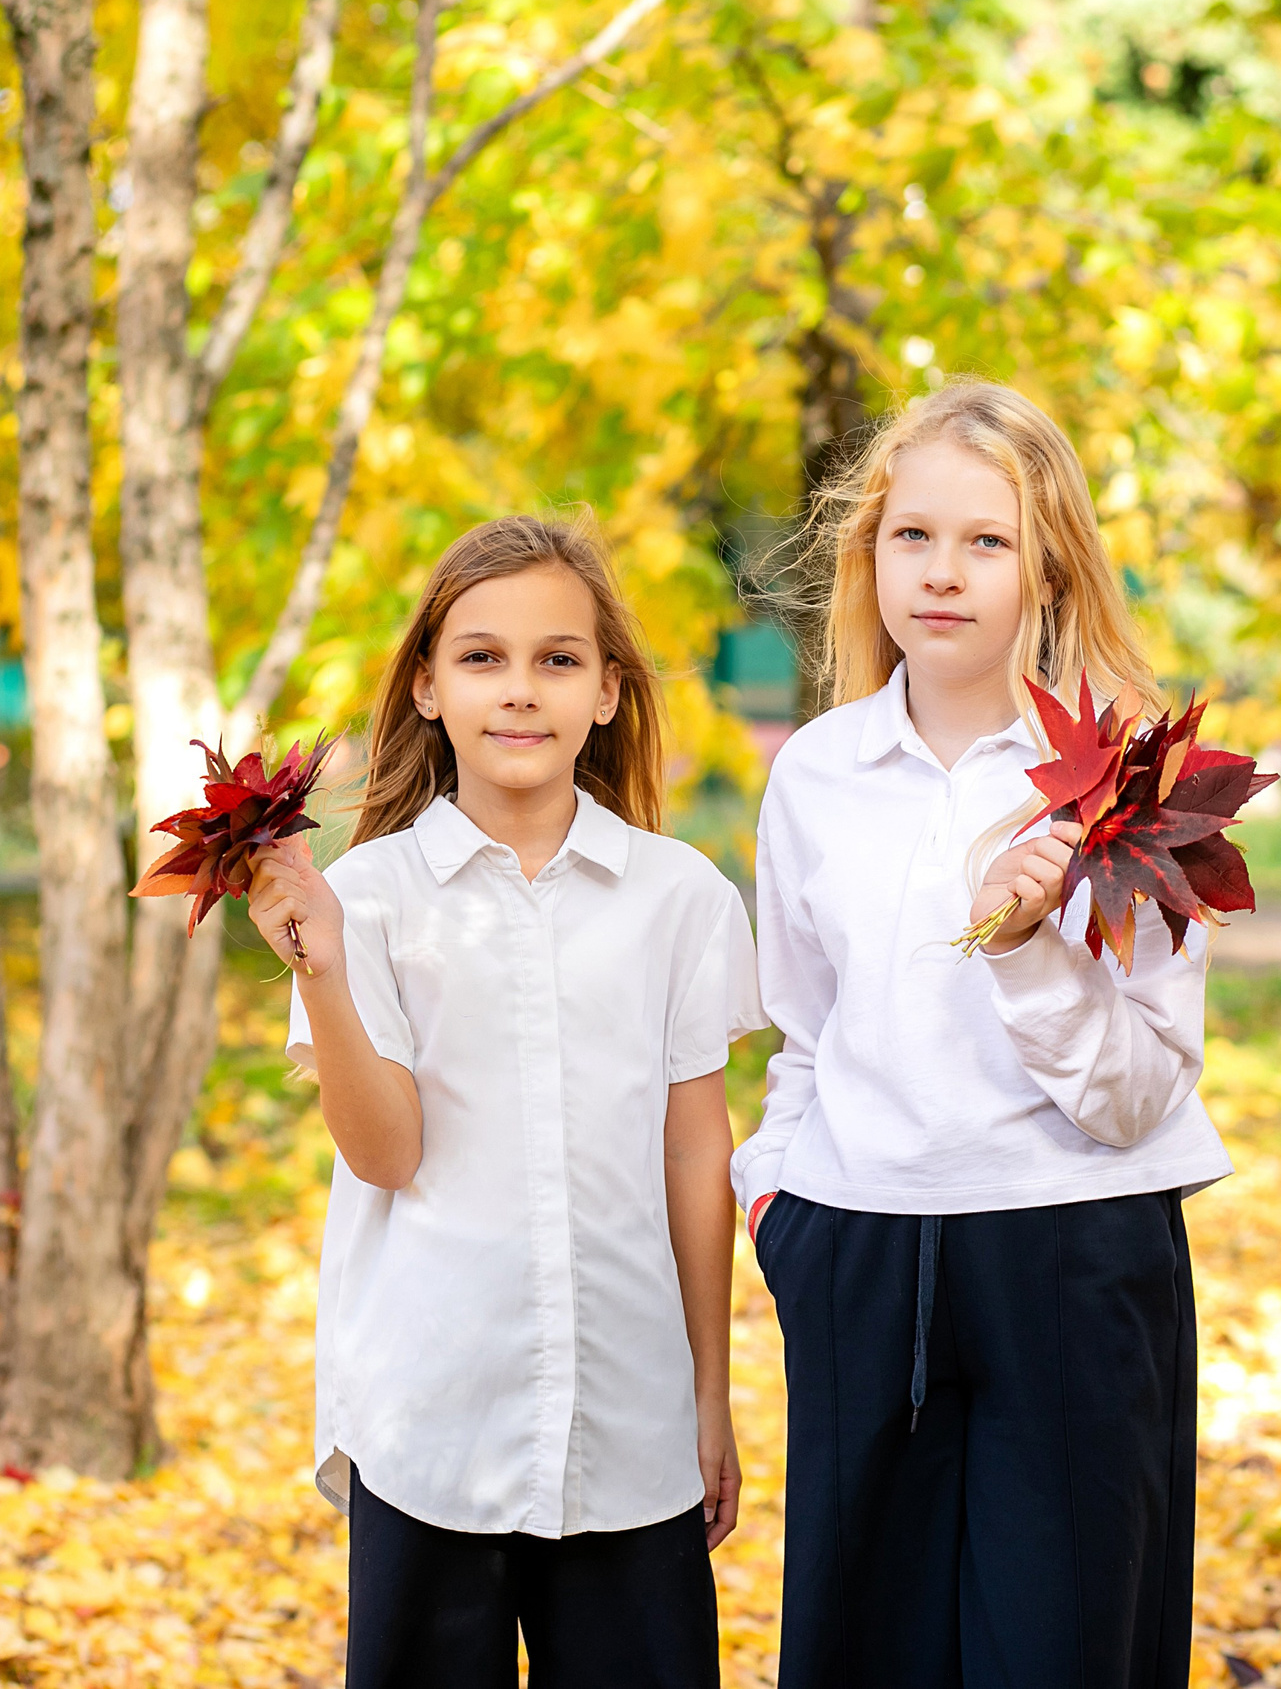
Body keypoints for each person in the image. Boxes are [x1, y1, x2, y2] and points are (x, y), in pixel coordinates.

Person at [736, 381, 1233, 1688]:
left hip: (1073, 1254)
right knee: (863, 1653)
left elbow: (1137, 1093)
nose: (941, 573)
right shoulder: (816, 772)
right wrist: (776, 1200)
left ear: (1048, 563)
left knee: (1065, 1653)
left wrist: (1025, 956)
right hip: (852, 1249)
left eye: (986, 541)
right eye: (912, 536)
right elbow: (803, 1029)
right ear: (872, 554)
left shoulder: (1136, 780)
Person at [249, 514, 766, 1689]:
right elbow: (384, 1155)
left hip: (629, 1433)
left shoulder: (679, 901)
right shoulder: (364, 902)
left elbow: (697, 1155)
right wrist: (319, 966)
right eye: (481, 658)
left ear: (609, 692)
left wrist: (707, 1396)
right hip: (431, 1424)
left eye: (557, 659)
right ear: (426, 687)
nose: (519, 690)